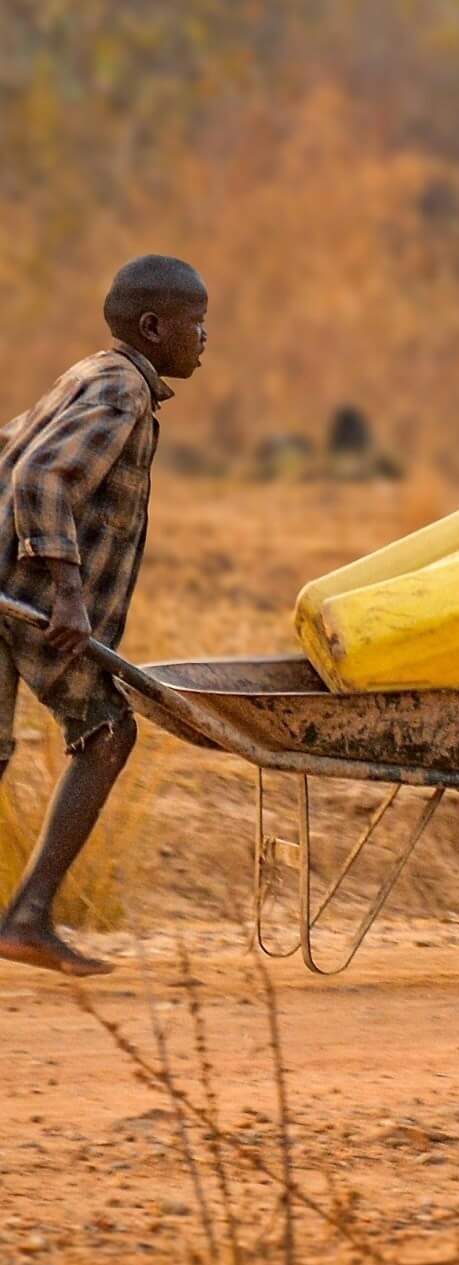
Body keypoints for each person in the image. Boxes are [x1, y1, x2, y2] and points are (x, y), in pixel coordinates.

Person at [0, 256, 208, 977]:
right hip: (26, 599)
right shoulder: (120, 390)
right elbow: (39, 475)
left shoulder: (93, 373)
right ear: (153, 328)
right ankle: (27, 916)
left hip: (10, 586)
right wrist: (67, 590)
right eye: (196, 322)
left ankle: (26, 919)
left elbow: (11, 446)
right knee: (106, 730)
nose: (206, 337)